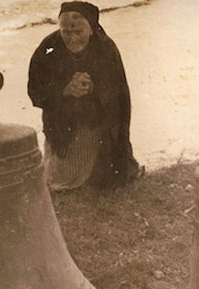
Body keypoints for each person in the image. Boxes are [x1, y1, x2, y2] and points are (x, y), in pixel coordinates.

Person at [28, 1, 142, 191]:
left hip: (97, 123)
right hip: (63, 127)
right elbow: (35, 91)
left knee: (103, 176)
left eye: (78, 32)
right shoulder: (48, 48)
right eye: (66, 32)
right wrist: (64, 90)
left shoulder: (106, 48)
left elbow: (119, 94)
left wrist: (93, 88)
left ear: (91, 29)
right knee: (61, 182)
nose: (72, 39)